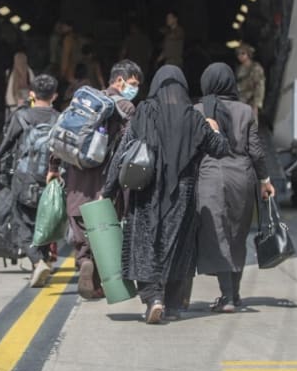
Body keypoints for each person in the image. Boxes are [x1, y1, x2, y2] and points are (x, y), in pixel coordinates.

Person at [102, 65, 228, 324]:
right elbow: (220, 149)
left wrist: (109, 189)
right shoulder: (194, 118)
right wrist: (214, 128)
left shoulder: (145, 112)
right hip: (182, 194)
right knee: (177, 248)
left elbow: (123, 152)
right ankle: (171, 304)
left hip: (147, 191)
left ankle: (152, 298)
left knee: (145, 245)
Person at [50, 60, 143, 300]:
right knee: (103, 229)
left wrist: (53, 167)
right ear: (120, 80)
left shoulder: (84, 101)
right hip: (104, 182)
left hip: (76, 179)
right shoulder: (126, 108)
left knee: (80, 225)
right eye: (133, 83)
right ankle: (95, 274)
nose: (135, 88)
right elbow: (127, 149)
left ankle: (83, 262)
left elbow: (63, 134)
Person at [194, 63, 276, 312]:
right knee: (237, 235)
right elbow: (256, 150)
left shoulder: (198, 110)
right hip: (242, 176)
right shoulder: (245, 111)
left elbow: (193, 148)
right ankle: (235, 295)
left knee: (217, 235)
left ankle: (227, 297)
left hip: (210, 175)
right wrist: (265, 179)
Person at [0, 74, 60, 287]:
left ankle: (37, 260)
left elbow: (6, 146)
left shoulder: (21, 117)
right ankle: (40, 263)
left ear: (31, 94)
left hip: (23, 178)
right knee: (45, 222)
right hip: (51, 179)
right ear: (55, 96)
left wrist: (0, 171)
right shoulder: (59, 119)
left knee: (21, 222)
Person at [235, 42, 265, 117]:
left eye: (243, 53)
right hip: (240, 100)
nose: (240, 56)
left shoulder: (255, 68)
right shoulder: (239, 69)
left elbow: (260, 86)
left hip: (251, 101)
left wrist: (256, 104)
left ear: (248, 54)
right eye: (238, 54)